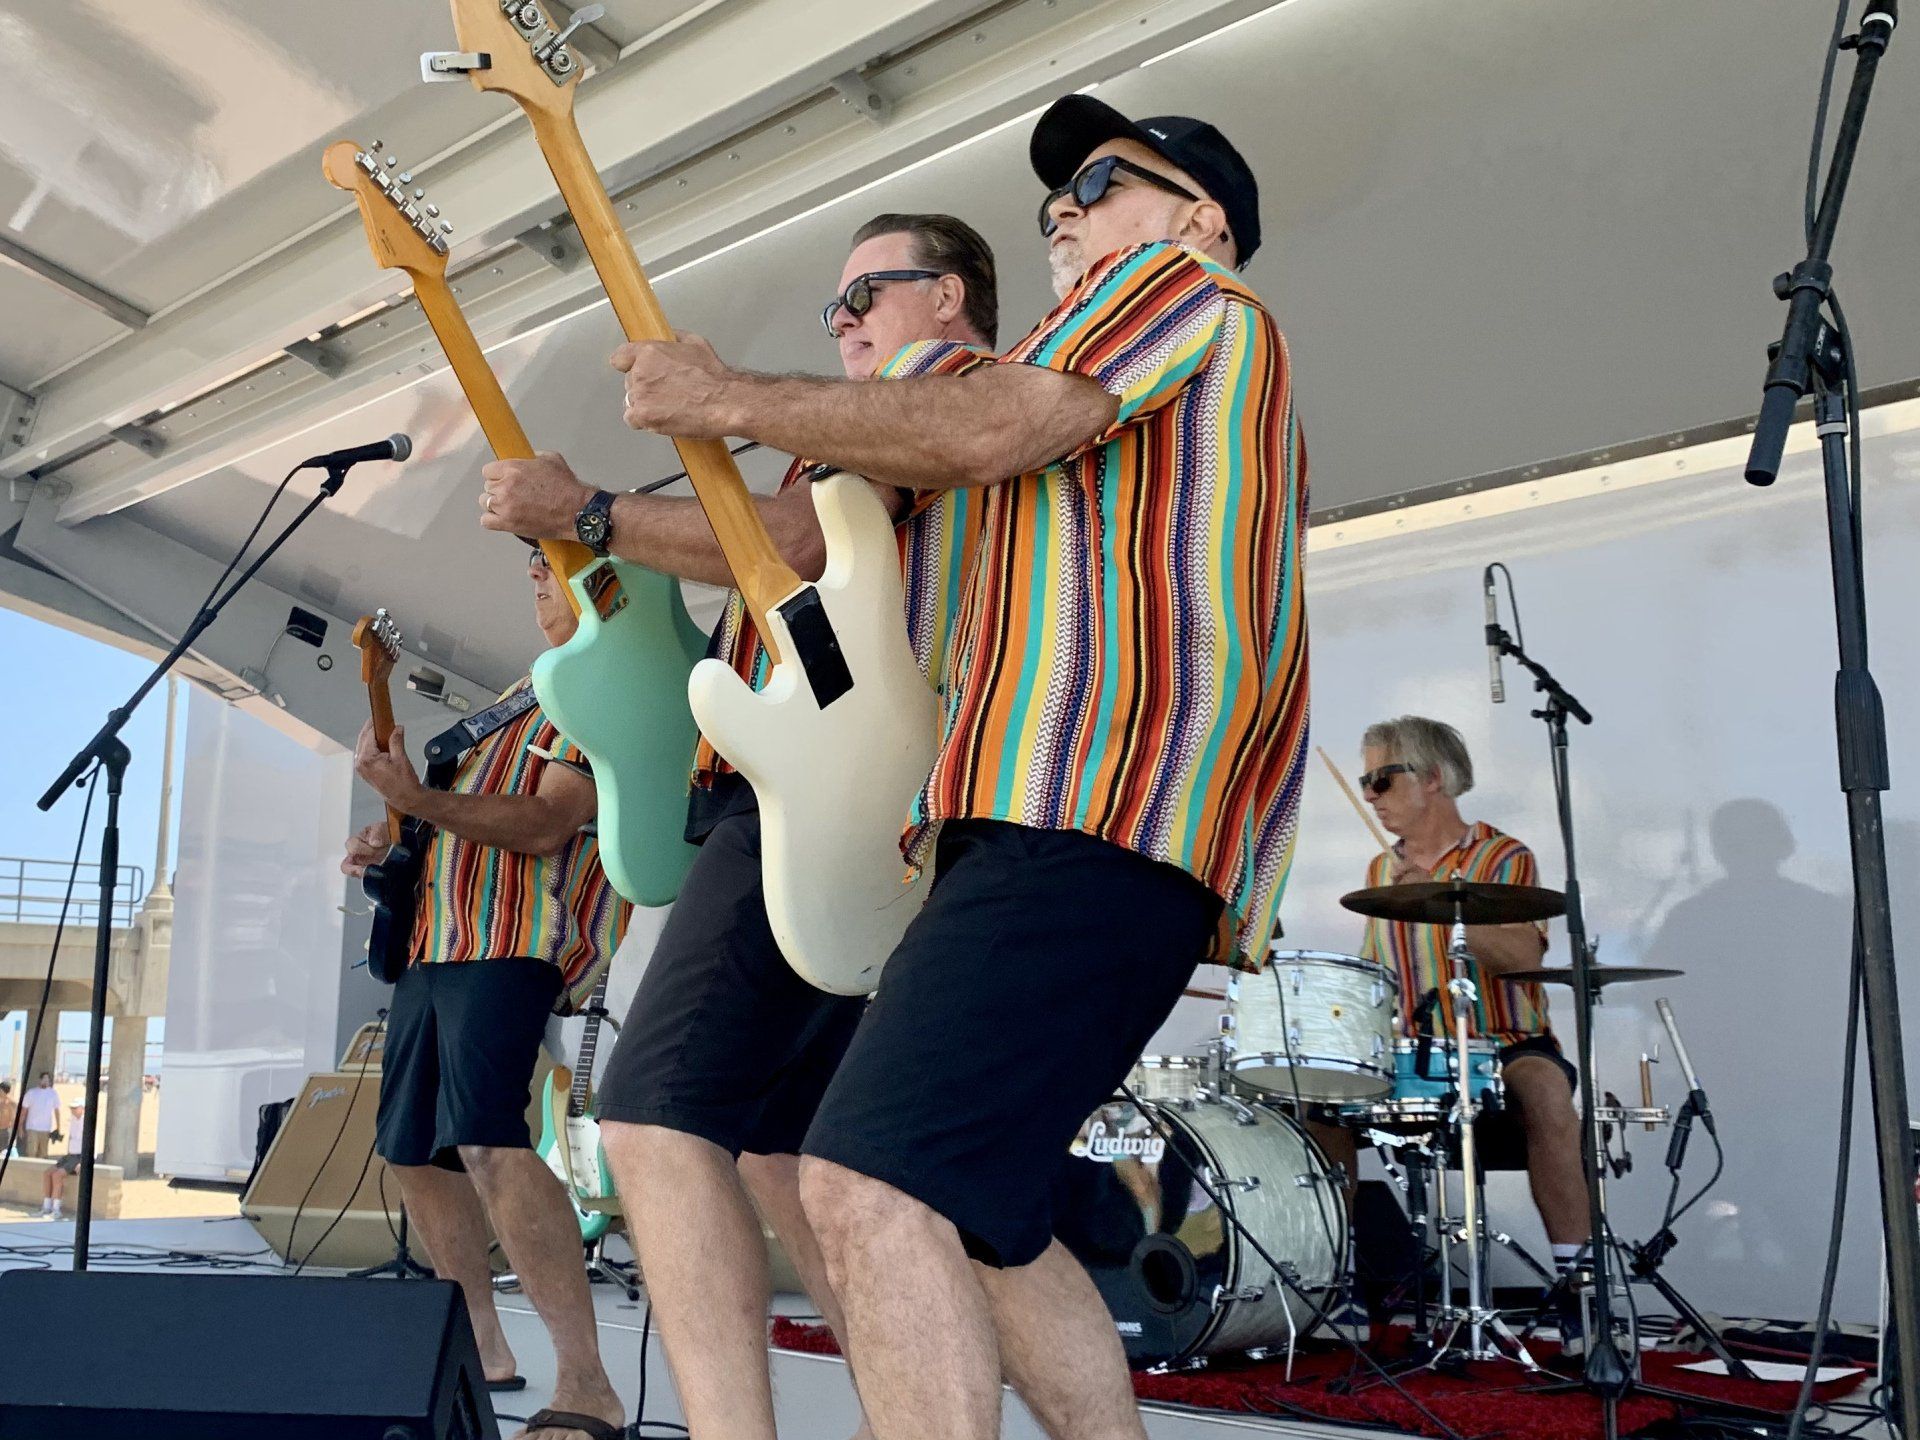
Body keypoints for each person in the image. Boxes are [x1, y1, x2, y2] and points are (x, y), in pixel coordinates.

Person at [602, 94, 1306, 1440]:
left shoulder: (1184, 291)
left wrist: (725, 398)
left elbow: (989, 428)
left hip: (1092, 801)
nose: (1067, 212)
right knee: (965, 1202)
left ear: (1202, 215)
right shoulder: (1063, 361)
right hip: (1031, 821)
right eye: (1056, 204)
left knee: (864, 1182)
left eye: (1101, 182)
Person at [480, 212, 999, 1440]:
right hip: (813, 789)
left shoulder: (935, 390)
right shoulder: (873, 424)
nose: (851, 317)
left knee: (653, 1115)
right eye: (839, 306)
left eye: (876, 289)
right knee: (788, 1150)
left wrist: (592, 510)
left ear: (957, 300)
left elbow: (794, 545)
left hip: (811, 796)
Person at [341, 548, 631, 1440]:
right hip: (441, 941)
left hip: (514, 941)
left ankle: (586, 1382)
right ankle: (478, 1349)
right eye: (533, 564)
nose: (535, 575)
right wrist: (392, 839)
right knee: (412, 1155)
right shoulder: (520, 691)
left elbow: (547, 822)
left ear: (603, 584)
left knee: (491, 1144)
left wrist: (418, 803)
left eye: (553, 563)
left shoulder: (603, 684)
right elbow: (452, 822)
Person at [1335, 715, 1590, 1349]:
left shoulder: (1503, 856)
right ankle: (1344, 1282)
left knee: (1545, 1091)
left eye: (1382, 779)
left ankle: (1581, 1289)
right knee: (1317, 1103)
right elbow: (1378, 978)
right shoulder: (1376, 869)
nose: (1370, 795)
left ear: (1435, 778)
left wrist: (1436, 896)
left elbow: (1520, 953)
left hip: (1504, 1044)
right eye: (1365, 782)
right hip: (1416, 1051)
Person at [42, 1100, 86, 1220]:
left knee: (57, 1175)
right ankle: (46, 1206)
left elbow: (93, 1143)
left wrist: (84, 1162)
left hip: (79, 1156)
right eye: (72, 1107)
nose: (72, 1110)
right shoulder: (73, 1121)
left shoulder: (87, 1122)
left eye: (75, 1108)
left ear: (82, 1108)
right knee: (47, 1173)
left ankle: (56, 1209)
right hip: (70, 1155)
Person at [16, 1072, 59, 1160]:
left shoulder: (53, 1094)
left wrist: (58, 1127)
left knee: (43, 1154)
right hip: (32, 1128)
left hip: (46, 1129)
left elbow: (57, 1111)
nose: (46, 1081)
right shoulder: (31, 1093)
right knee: (31, 1152)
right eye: (44, 1079)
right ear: (40, 1080)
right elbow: (24, 1111)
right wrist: (20, 1126)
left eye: (47, 1080)